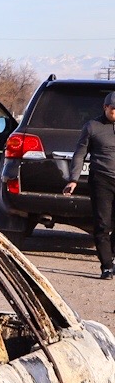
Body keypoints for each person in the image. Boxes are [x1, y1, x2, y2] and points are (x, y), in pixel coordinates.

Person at [61, 92, 115, 279]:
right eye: (113, 109)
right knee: (103, 224)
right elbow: (79, 154)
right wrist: (73, 179)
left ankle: (112, 256)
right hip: (101, 180)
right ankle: (107, 266)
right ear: (105, 108)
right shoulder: (93, 127)